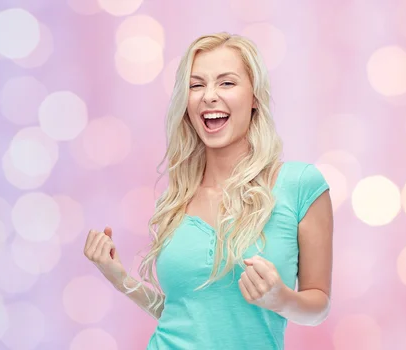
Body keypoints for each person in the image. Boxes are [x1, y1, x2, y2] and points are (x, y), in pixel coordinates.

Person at [83, 32, 334, 349]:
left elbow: (318, 306)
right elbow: (184, 314)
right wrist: (121, 279)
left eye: (226, 83)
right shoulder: (175, 200)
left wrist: (280, 298)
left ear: (254, 97)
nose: (209, 96)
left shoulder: (301, 185)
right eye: (196, 85)